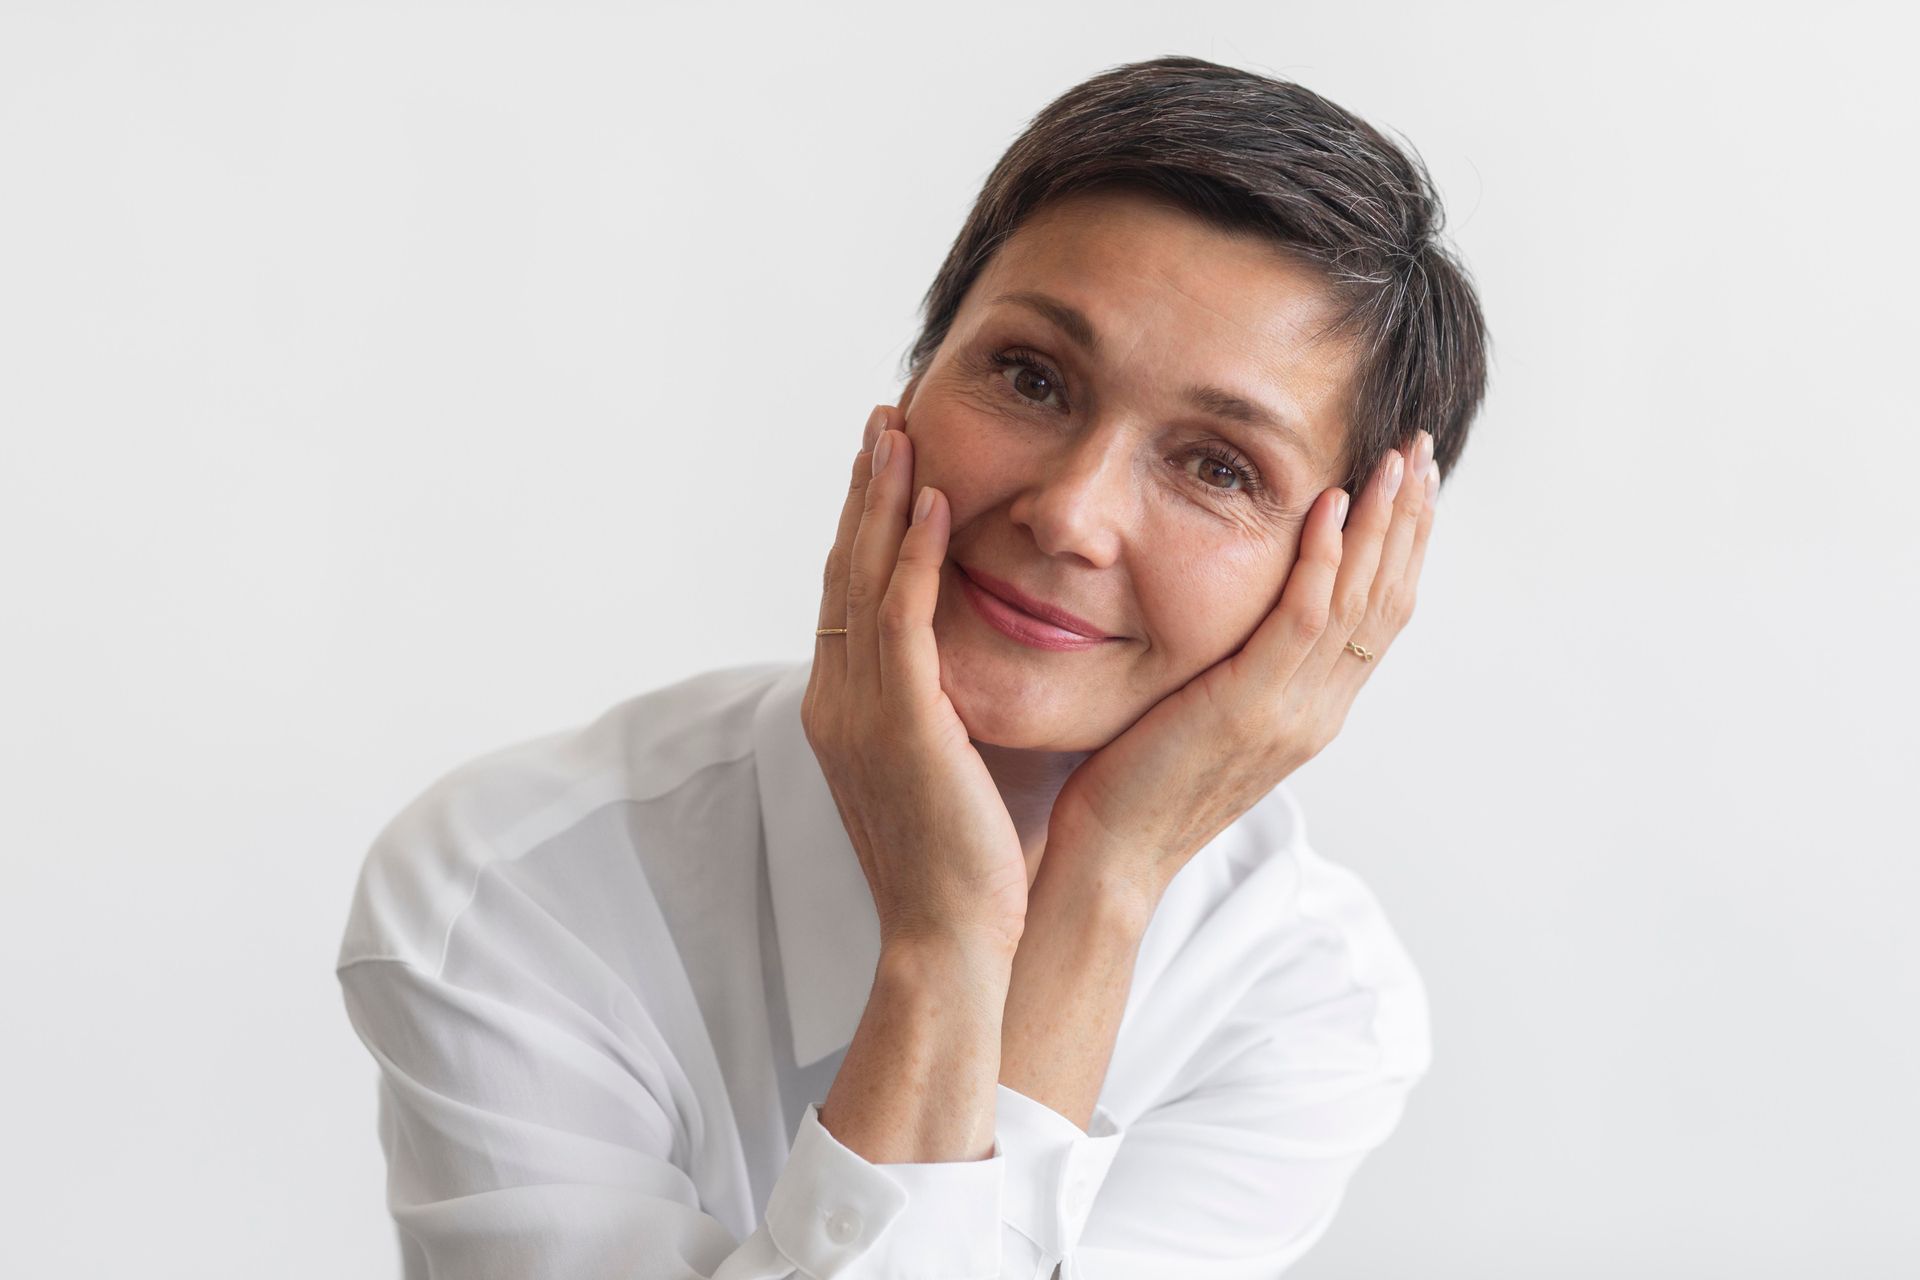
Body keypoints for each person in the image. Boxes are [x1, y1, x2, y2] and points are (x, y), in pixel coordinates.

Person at [335, 54, 1489, 1280]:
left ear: (1348, 574)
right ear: (911, 385)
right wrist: (947, 942)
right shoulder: (512, 886)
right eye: (1031, 376)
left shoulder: (1303, 999)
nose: (1071, 515)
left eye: (1216, 466)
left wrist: (1102, 885)